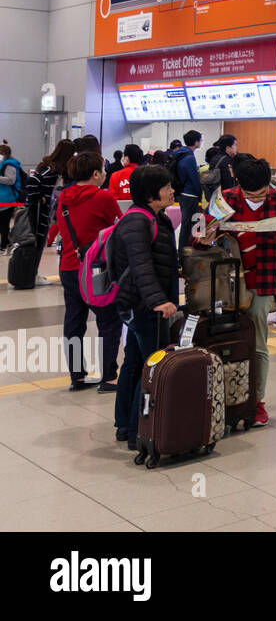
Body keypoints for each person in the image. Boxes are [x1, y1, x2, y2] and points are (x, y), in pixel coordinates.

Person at [201, 156, 276, 425]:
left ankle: (256, 401)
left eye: (263, 193)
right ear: (239, 184)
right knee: (222, 342)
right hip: (225, 284)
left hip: (263, 280)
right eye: (252, 195)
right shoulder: (225, 199)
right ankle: (223, 398)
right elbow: (199, 236)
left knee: (258, 342)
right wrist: (205, 234)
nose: (258, 199)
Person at [110, 165, 178, 451]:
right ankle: (141, 429)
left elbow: (153, 260)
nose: (173, 190)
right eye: (167, 187)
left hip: (143, 304)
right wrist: (158, 301)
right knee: (151, 365)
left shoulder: (152, 217)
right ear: (152, 194)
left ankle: (126, 425)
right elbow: (141, 267)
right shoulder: (138, 221)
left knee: (135, 363)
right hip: (145, 306)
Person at [47, 152, 122, 392]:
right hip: (96, 270)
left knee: (74, 320)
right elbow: (119, 226)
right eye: (102, 169)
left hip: (68, 266)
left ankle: (77, 376)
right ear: (95, 174)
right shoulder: (103, 197)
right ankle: (109, 377)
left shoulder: (63, 197)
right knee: (108, 320)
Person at [29, 139, 74, 246]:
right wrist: (41, 196)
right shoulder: (52, 170)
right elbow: (33, 181)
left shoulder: (50, 168)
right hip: (43, 214)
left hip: (44, 214)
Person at [169, 131, 202, 249]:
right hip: (190, 195)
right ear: (196, 142)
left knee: (188, 224)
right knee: (190, 225)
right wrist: (200, 193)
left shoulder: (181, 154)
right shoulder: (189, 157)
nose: (201, 142)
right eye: (200, 140)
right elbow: (194, 178)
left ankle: (184, 253)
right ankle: (185, 253)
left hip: (182, 193)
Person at [0, 141, 23, 252]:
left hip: (8, 198)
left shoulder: (10, 165)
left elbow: (11, 180)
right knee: (3, 223)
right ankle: (6, 243)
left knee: (4, 223)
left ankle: (5, 245)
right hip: (4, 197)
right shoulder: (5, 163)